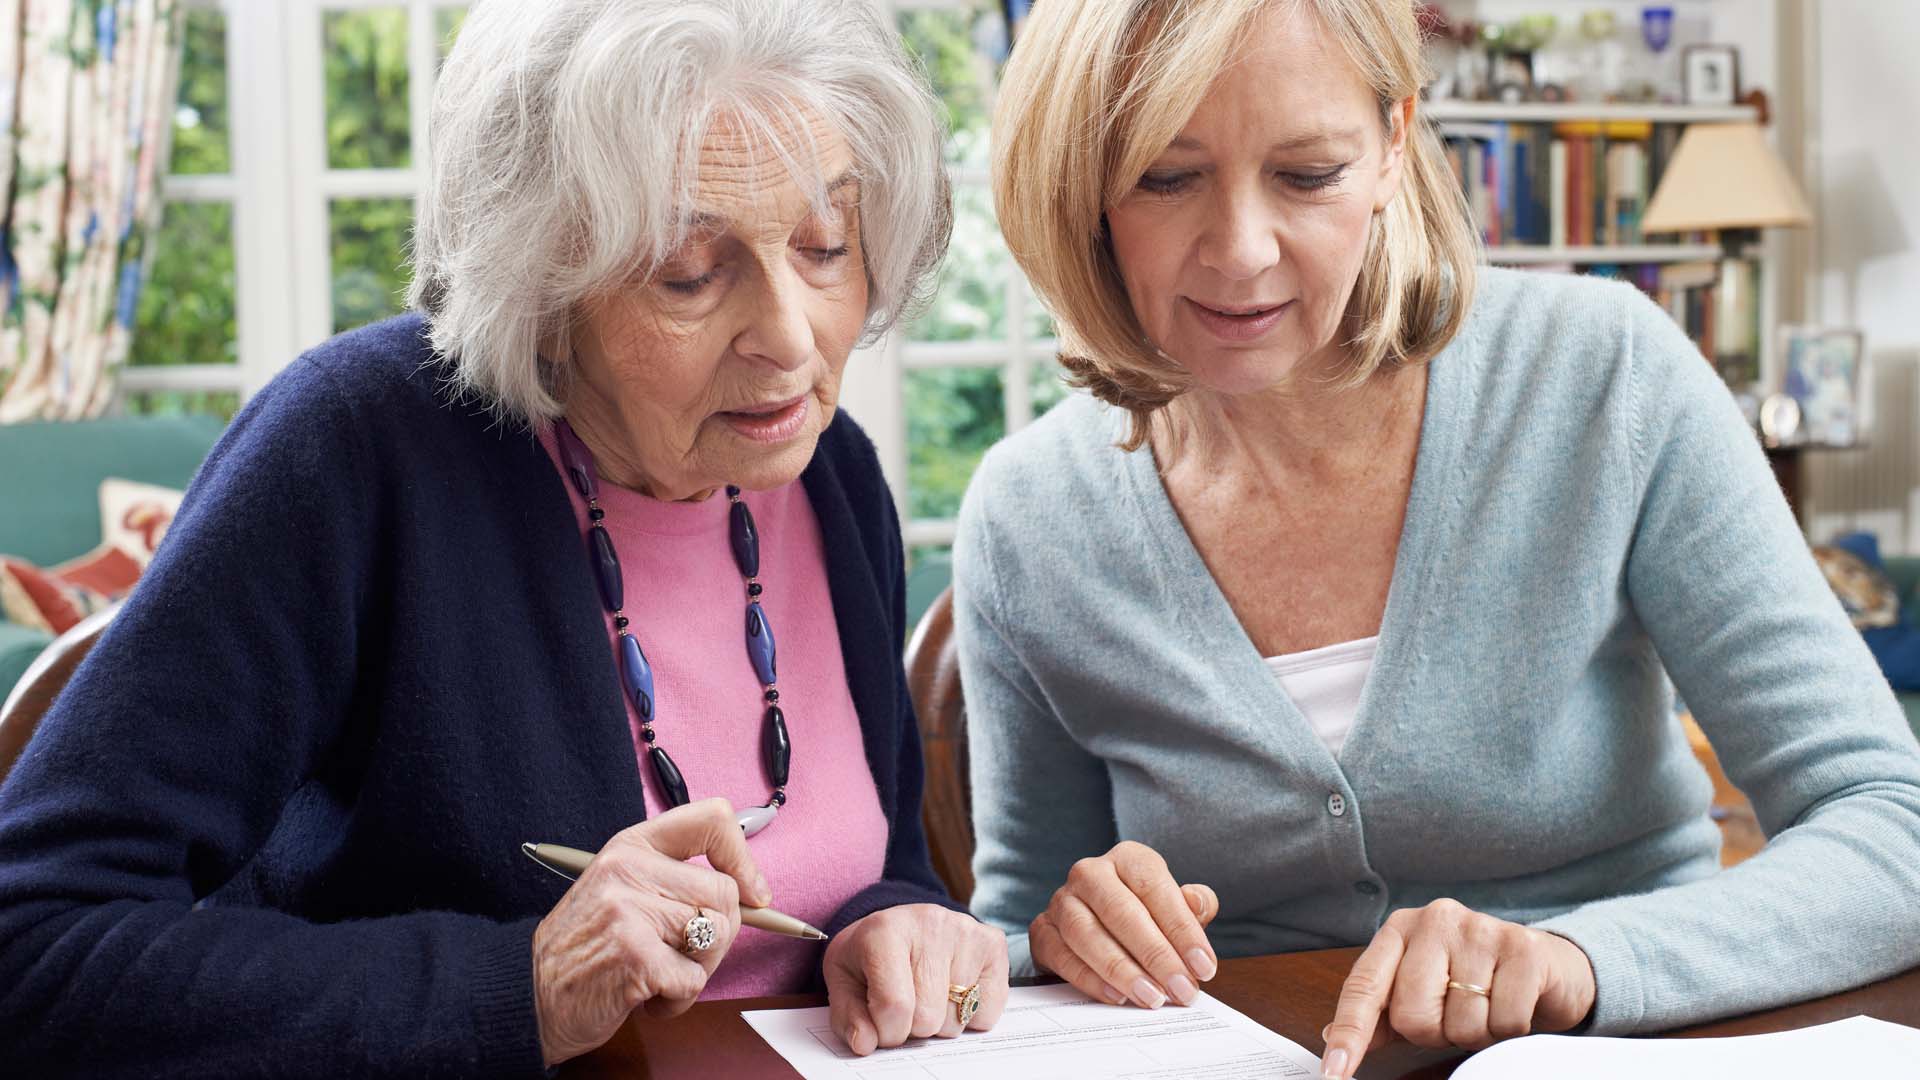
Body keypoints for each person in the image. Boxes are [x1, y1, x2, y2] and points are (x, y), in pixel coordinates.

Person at [0, 0, 1008, 1073]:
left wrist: (899, 922)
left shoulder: (830, 471)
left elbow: (876, 866)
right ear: (544, 280)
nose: (790, 336)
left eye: (827, 245)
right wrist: (519, 986)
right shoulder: (354, 451)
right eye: (688, 272)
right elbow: (34, 945)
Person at [956, 2, 1920, 1079]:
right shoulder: (1029, 513)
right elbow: (1009, 938)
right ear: (1081, 185)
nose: (1241, 250)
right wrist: (1064, 934)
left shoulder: (1604, 378)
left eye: (1309, 172)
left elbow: (1890, 828)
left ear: (1394, 145)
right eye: (1166, 178)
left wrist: (1579, 959)